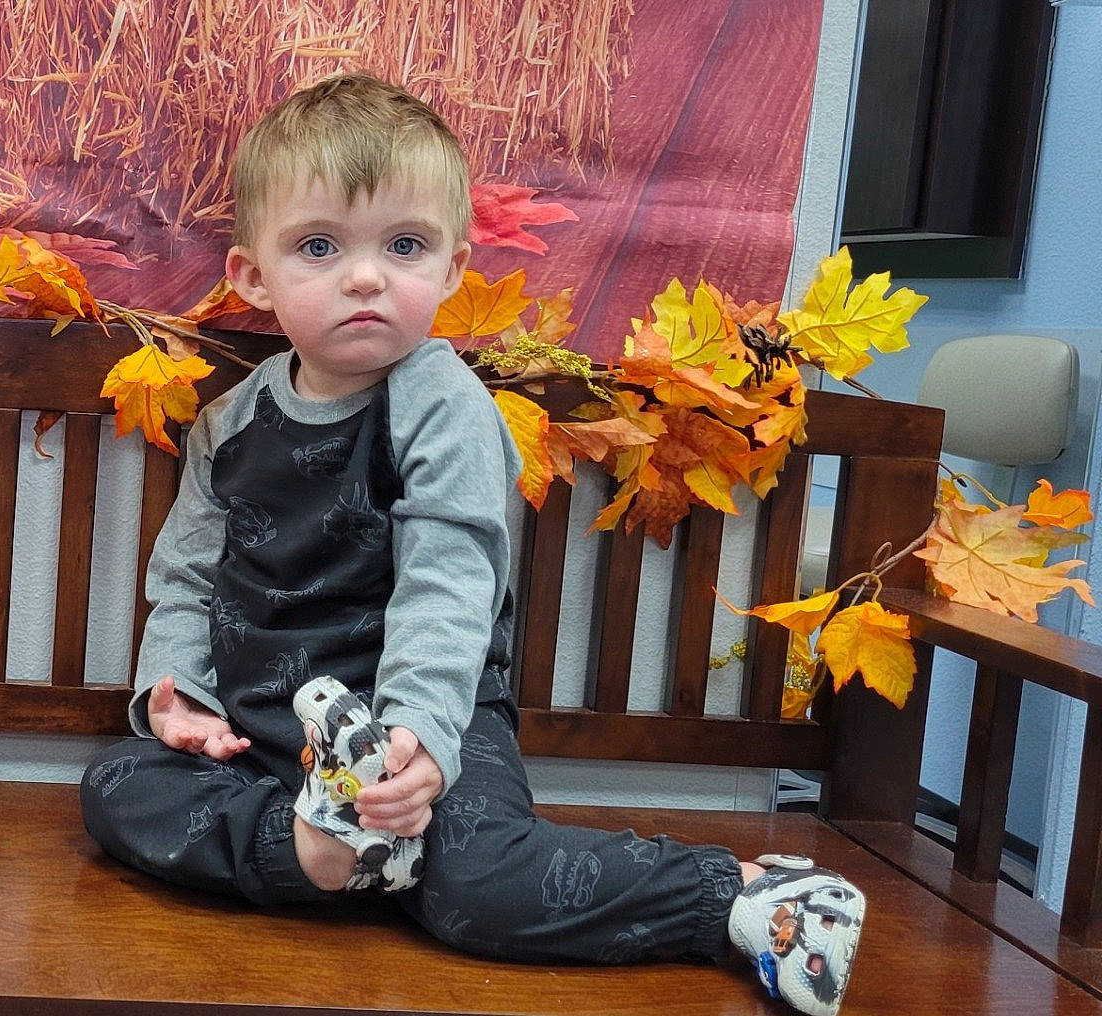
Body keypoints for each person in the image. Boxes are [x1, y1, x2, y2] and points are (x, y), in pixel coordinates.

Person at [78, 72, 865, 1016]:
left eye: (403, 246)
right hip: (268, 736)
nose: (364, 276)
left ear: (452, 269)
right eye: (319, 246)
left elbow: (448, 585)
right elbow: (187, 579)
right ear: (254, 276)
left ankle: (741, 898)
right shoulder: (230, 425)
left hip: (429, 717)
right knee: (118, 784)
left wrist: (417, 746)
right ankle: (320, 848)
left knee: (475, 885)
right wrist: (181, 701)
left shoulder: (440, 404)